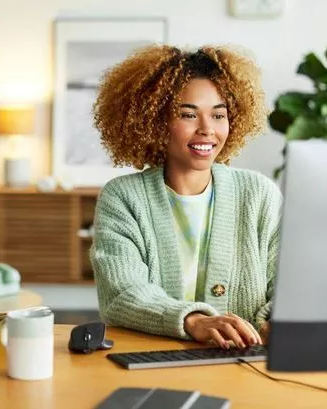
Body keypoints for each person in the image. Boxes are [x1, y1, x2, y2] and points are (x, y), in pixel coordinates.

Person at [90, 44, 282, 349]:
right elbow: (122, 293)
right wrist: (194, 321)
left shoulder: (259, 194)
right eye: (188, 114)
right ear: (154, 121)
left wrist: (276, 325)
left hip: (248, 364)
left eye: (219, 115)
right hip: (153, 361)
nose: (207, 129)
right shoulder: (123, 197)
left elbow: (286, 288)